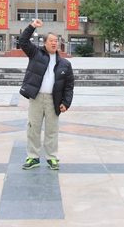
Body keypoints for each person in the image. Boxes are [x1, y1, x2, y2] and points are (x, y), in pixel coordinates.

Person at [19, 19, 74, 171]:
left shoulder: (65, 64)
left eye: (56, 41)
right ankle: (33, 157)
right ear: (44, 43)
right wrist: (32, 26)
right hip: (36, 97)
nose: (54, 43)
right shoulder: (35, 53)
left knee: (52, 130)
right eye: (51, 40)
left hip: (53, 100)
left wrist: (66, 103)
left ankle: (52, 158)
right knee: (33, 128)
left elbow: (69, 86)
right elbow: (23, 41)